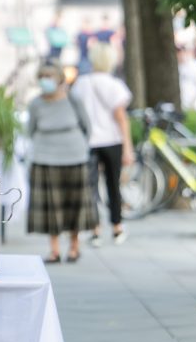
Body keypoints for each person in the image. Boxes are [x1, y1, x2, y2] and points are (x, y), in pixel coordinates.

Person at [26, 63, 98, 263]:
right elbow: (30, 130)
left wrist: (80, 146)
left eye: (49, 75)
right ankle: (54, 249)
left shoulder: (73, 100)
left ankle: (75, 246)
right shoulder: (35, 104)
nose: (45, 80)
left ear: (59, 79)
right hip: (45, 158)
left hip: (74, 157)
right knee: (51, 206)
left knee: (75, 205)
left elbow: (87, 126)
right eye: (42, 76)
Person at [72, 43, 135, 245]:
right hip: (112, 141)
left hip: (88, 141)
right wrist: (128, 147)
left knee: (89, 187)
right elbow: (121, 118)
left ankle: (95, 228)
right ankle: (117, 227)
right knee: (113, 185)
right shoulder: (114, 85)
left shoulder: (81, 83)